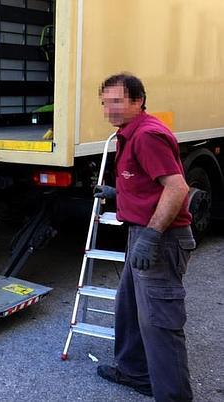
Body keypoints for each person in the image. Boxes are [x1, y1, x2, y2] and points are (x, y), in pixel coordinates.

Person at [94, 73, 195, 401]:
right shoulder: (128, 132)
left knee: (160, 323)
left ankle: (173, 396)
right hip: (141, 233)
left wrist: (151, 237)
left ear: (138, 101)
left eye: (118, 101)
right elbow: (145, 182)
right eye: (105, 103)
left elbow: (177, 187)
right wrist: (116, 193)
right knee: (130, 309)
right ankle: (135, 372)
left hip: (162, 239)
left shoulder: (147, 135)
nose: (110, 109)